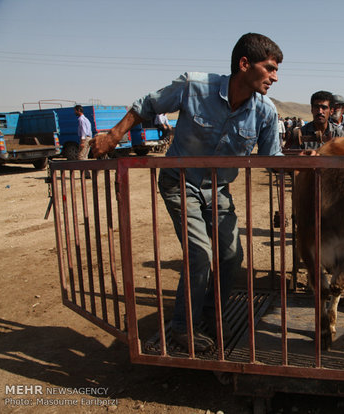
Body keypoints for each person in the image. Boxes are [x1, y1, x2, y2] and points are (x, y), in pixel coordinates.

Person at [90, 32, 284, 352]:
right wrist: (113, 136)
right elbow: (146, 105)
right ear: (245, 64)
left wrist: (304, 162)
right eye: (270, 68)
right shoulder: (195, 86)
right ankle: (182, 326)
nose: (275, 77)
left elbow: (272, 159)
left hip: (218, 189)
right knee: (200, 254)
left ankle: (210, 315)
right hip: (180, 183)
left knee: (232, 255)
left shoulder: (265, 111)